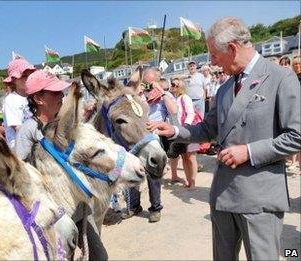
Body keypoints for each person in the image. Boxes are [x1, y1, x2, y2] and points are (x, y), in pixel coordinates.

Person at [148, 17, 301, 260]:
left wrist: (248, 151)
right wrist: (175, 131)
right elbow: (207, 129)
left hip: (259, 200)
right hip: (223, 195)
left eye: (213, 54)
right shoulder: (225, 88)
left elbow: (296, 136)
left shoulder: (280, 78)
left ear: (232, 48)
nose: (211, 62)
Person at [123, 68, 177, 222]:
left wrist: (162, 93)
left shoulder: (164, 96)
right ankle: (133, 205)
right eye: (144, 83)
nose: (146, 86)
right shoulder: (134, 96)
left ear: (158, 81)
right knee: (132, 171)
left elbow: (174, 111)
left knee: (154, 175)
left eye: (149, 83)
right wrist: (134, 94)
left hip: (153, 138)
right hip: (135, 139)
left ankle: (155, 207)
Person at [14, 70, 70, 161]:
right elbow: (23, 167)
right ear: (38, 99)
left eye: (60, 91)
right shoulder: (28, 130)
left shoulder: (65, 121)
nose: (62, 95)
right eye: (55, 92)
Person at [169, 78, 200, 189]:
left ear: (179, 87)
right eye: (171, 84)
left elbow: (190, 114)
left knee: (191, 156)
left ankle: (193, 182)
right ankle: (188, 180)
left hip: (188, 130)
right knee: (184, 157)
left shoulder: (185, 98)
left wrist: (185, 127)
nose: (171, 86)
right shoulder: (173, 99)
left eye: (174, 84)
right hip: (179, 132)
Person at [2, 58, 36, 149]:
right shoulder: (11, 100)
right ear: (14, 80)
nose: (28, 78)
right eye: (24, 76)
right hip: (18, 143)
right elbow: (17, 127)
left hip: (35, 140)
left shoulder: (34, 96)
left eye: (30, 75)